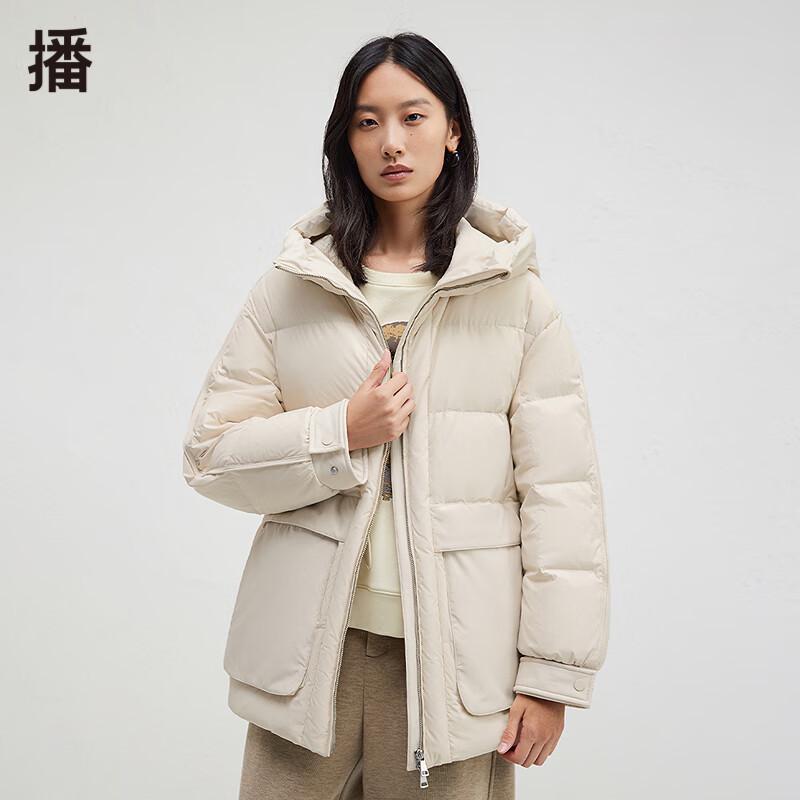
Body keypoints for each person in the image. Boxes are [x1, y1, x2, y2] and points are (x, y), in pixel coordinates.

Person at [182, 31, 610, 800]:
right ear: (344, 140)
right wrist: (339, 433)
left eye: (413, 117)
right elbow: (210, 455)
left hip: (454, 665)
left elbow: (561, 496)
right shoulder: (292, 287)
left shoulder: (516, 299)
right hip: (313, 658)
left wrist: (551, 676)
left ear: (453, 131)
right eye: (367, 121)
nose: (391, 142)